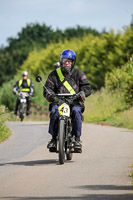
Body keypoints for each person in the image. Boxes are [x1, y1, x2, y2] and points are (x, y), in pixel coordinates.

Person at [43, 49, 91, 150]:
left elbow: (87, 87)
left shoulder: (78, 73)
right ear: (61, 61)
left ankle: (77, 139)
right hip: (58, 101)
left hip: (75, 102)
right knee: (54, 112)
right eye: (65, 61)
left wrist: (82, 93)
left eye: (69, 61)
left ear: (73, 62)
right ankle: (53, 139)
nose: (67, 63)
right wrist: (49, 94)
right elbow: (48, 88)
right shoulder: (54, 74)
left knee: (76, 112)